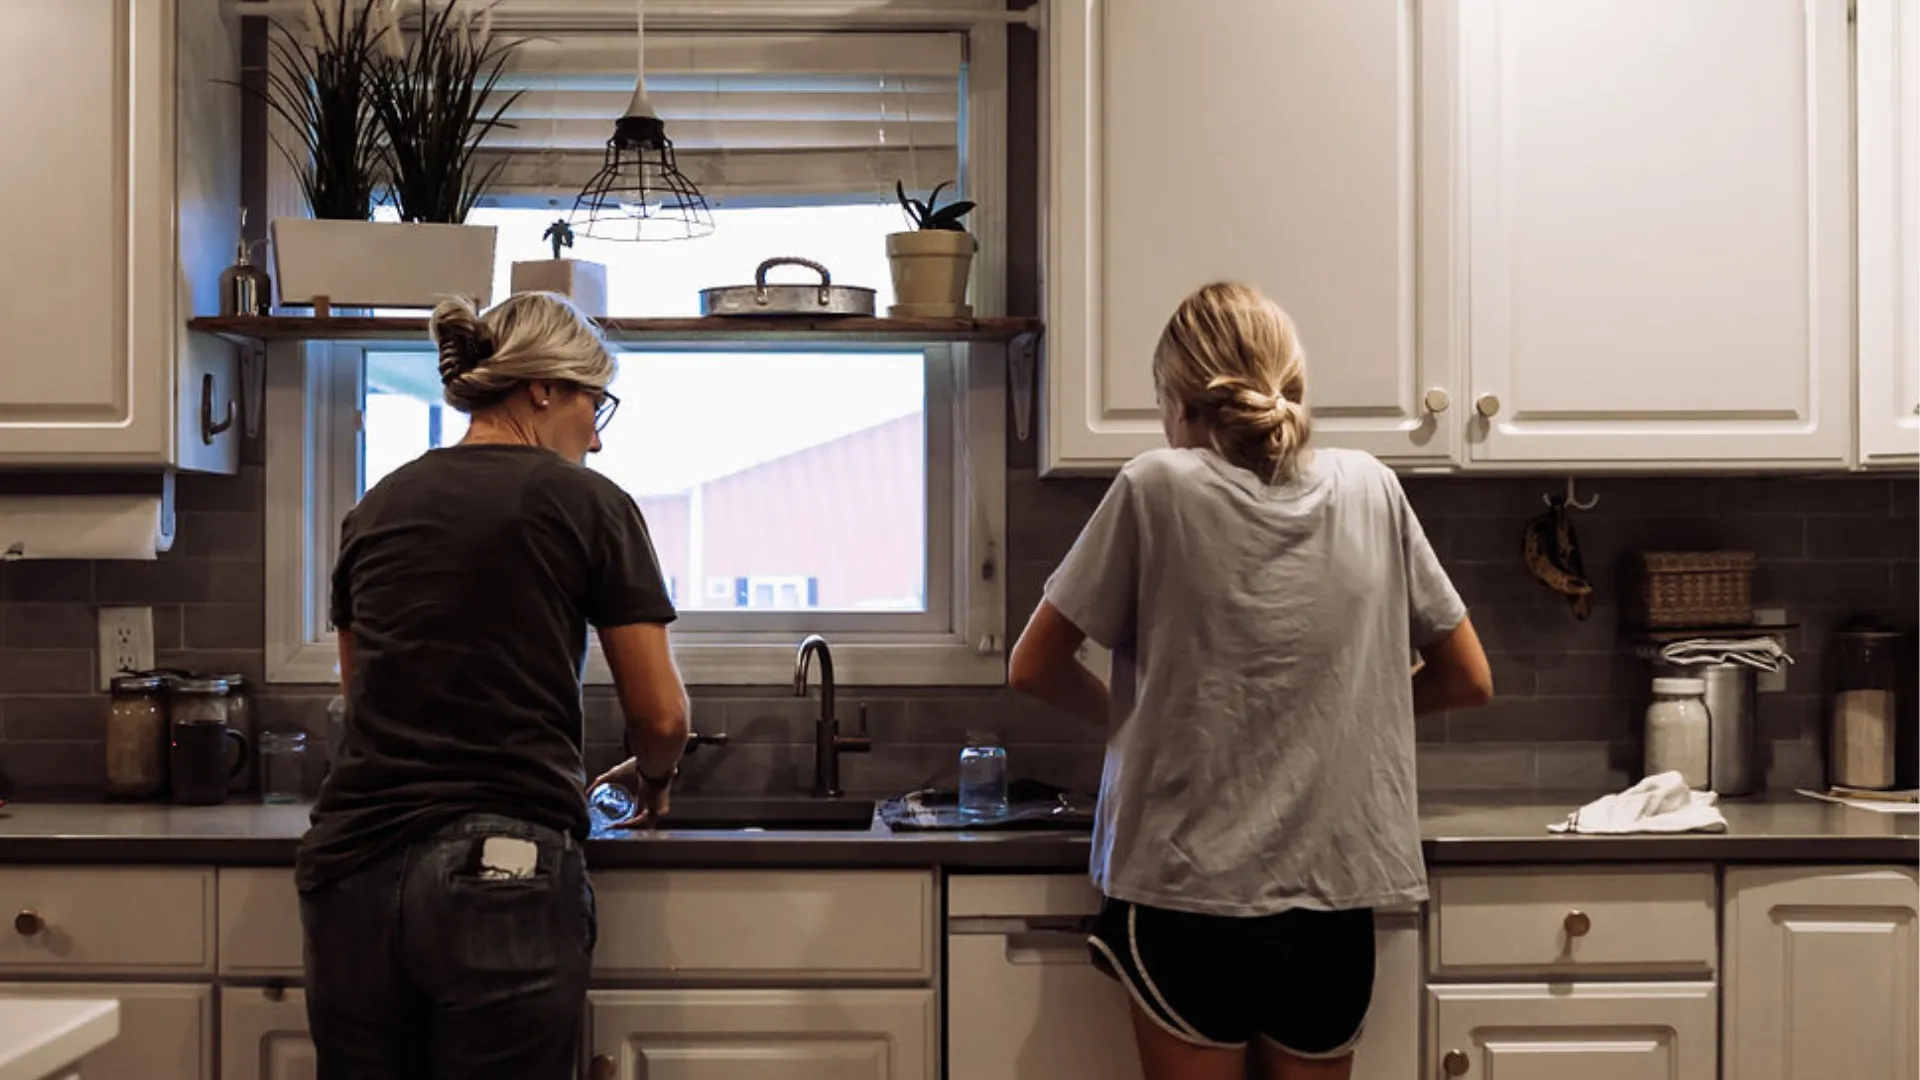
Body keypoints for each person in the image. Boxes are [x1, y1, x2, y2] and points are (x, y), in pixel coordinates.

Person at [1008, 282, 1493, 1080]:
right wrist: (1339, 708)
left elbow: (1035, 665)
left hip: (1184, 892)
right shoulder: (1373, 488)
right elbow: (1467, 678)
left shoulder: (1155, 485)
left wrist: (1137, 720)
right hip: (1334, 896)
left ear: (1179, 402)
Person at [297, 291, 692, 1079]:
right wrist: (652, 782)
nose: (598, 437)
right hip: (502, 867)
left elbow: (361, 697)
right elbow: (661, 715)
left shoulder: (374, 510)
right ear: (542, 389)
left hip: (352, 873)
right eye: (594, 401)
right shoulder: (589, 504)